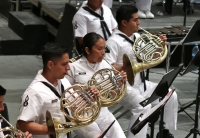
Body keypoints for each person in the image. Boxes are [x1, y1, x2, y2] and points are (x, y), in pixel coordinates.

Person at [105, 5, 178, 138]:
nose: (139, 22)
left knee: (170, 94)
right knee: (142, 107)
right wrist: (125, 67)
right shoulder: (113, 42)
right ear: (124, 22)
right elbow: (107, 67)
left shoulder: (137, 36)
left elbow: (150, 57)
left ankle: (165, 132)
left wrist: (159, 46)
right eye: (135, 20)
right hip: (123, 87)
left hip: (141, 83)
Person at [16, 43, 99, 138]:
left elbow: (75, 108)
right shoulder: (34, 91)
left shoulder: (64, 81)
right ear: (50, 65)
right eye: (64, 64)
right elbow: (22, 124)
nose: (68, 68)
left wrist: (89, 98)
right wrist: (52, 129)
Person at [66, 32, 127, 138]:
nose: (103, 52)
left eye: (104, 48)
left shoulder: (106, 64)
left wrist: (119, 84)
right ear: (87, 50)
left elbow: (113, 96)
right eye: (99, 49)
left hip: (103, 114)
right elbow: (64, 95)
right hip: (82, 117)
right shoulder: (73, 67)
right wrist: (85, 96)